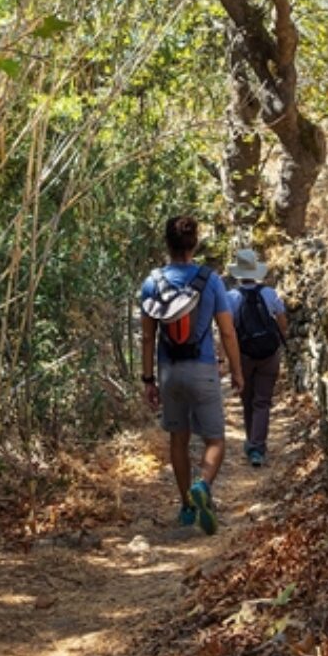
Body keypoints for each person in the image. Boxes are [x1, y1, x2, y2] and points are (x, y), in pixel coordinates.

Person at [140, 215, 244, 535]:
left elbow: (147, 337)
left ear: (166, 243)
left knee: (178, 440)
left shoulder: (152, 281)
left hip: (169, 371)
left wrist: (148, 380)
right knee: (215, 439)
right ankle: (203, 485)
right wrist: (237, 372)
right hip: (203, 368)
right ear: (194, 242)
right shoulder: (210, 280)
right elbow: (227, 331)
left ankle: (186, 507)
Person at [226, 247, 288, 468]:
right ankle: (257, 446)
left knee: (247, 399)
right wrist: (280, 341)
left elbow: (227, 330)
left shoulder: (231, 297)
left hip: (244, 354)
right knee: (262, 401)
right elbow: (282, 321)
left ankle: (252, 442)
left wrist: (230, 362)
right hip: (269, 353)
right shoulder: (269, 294)